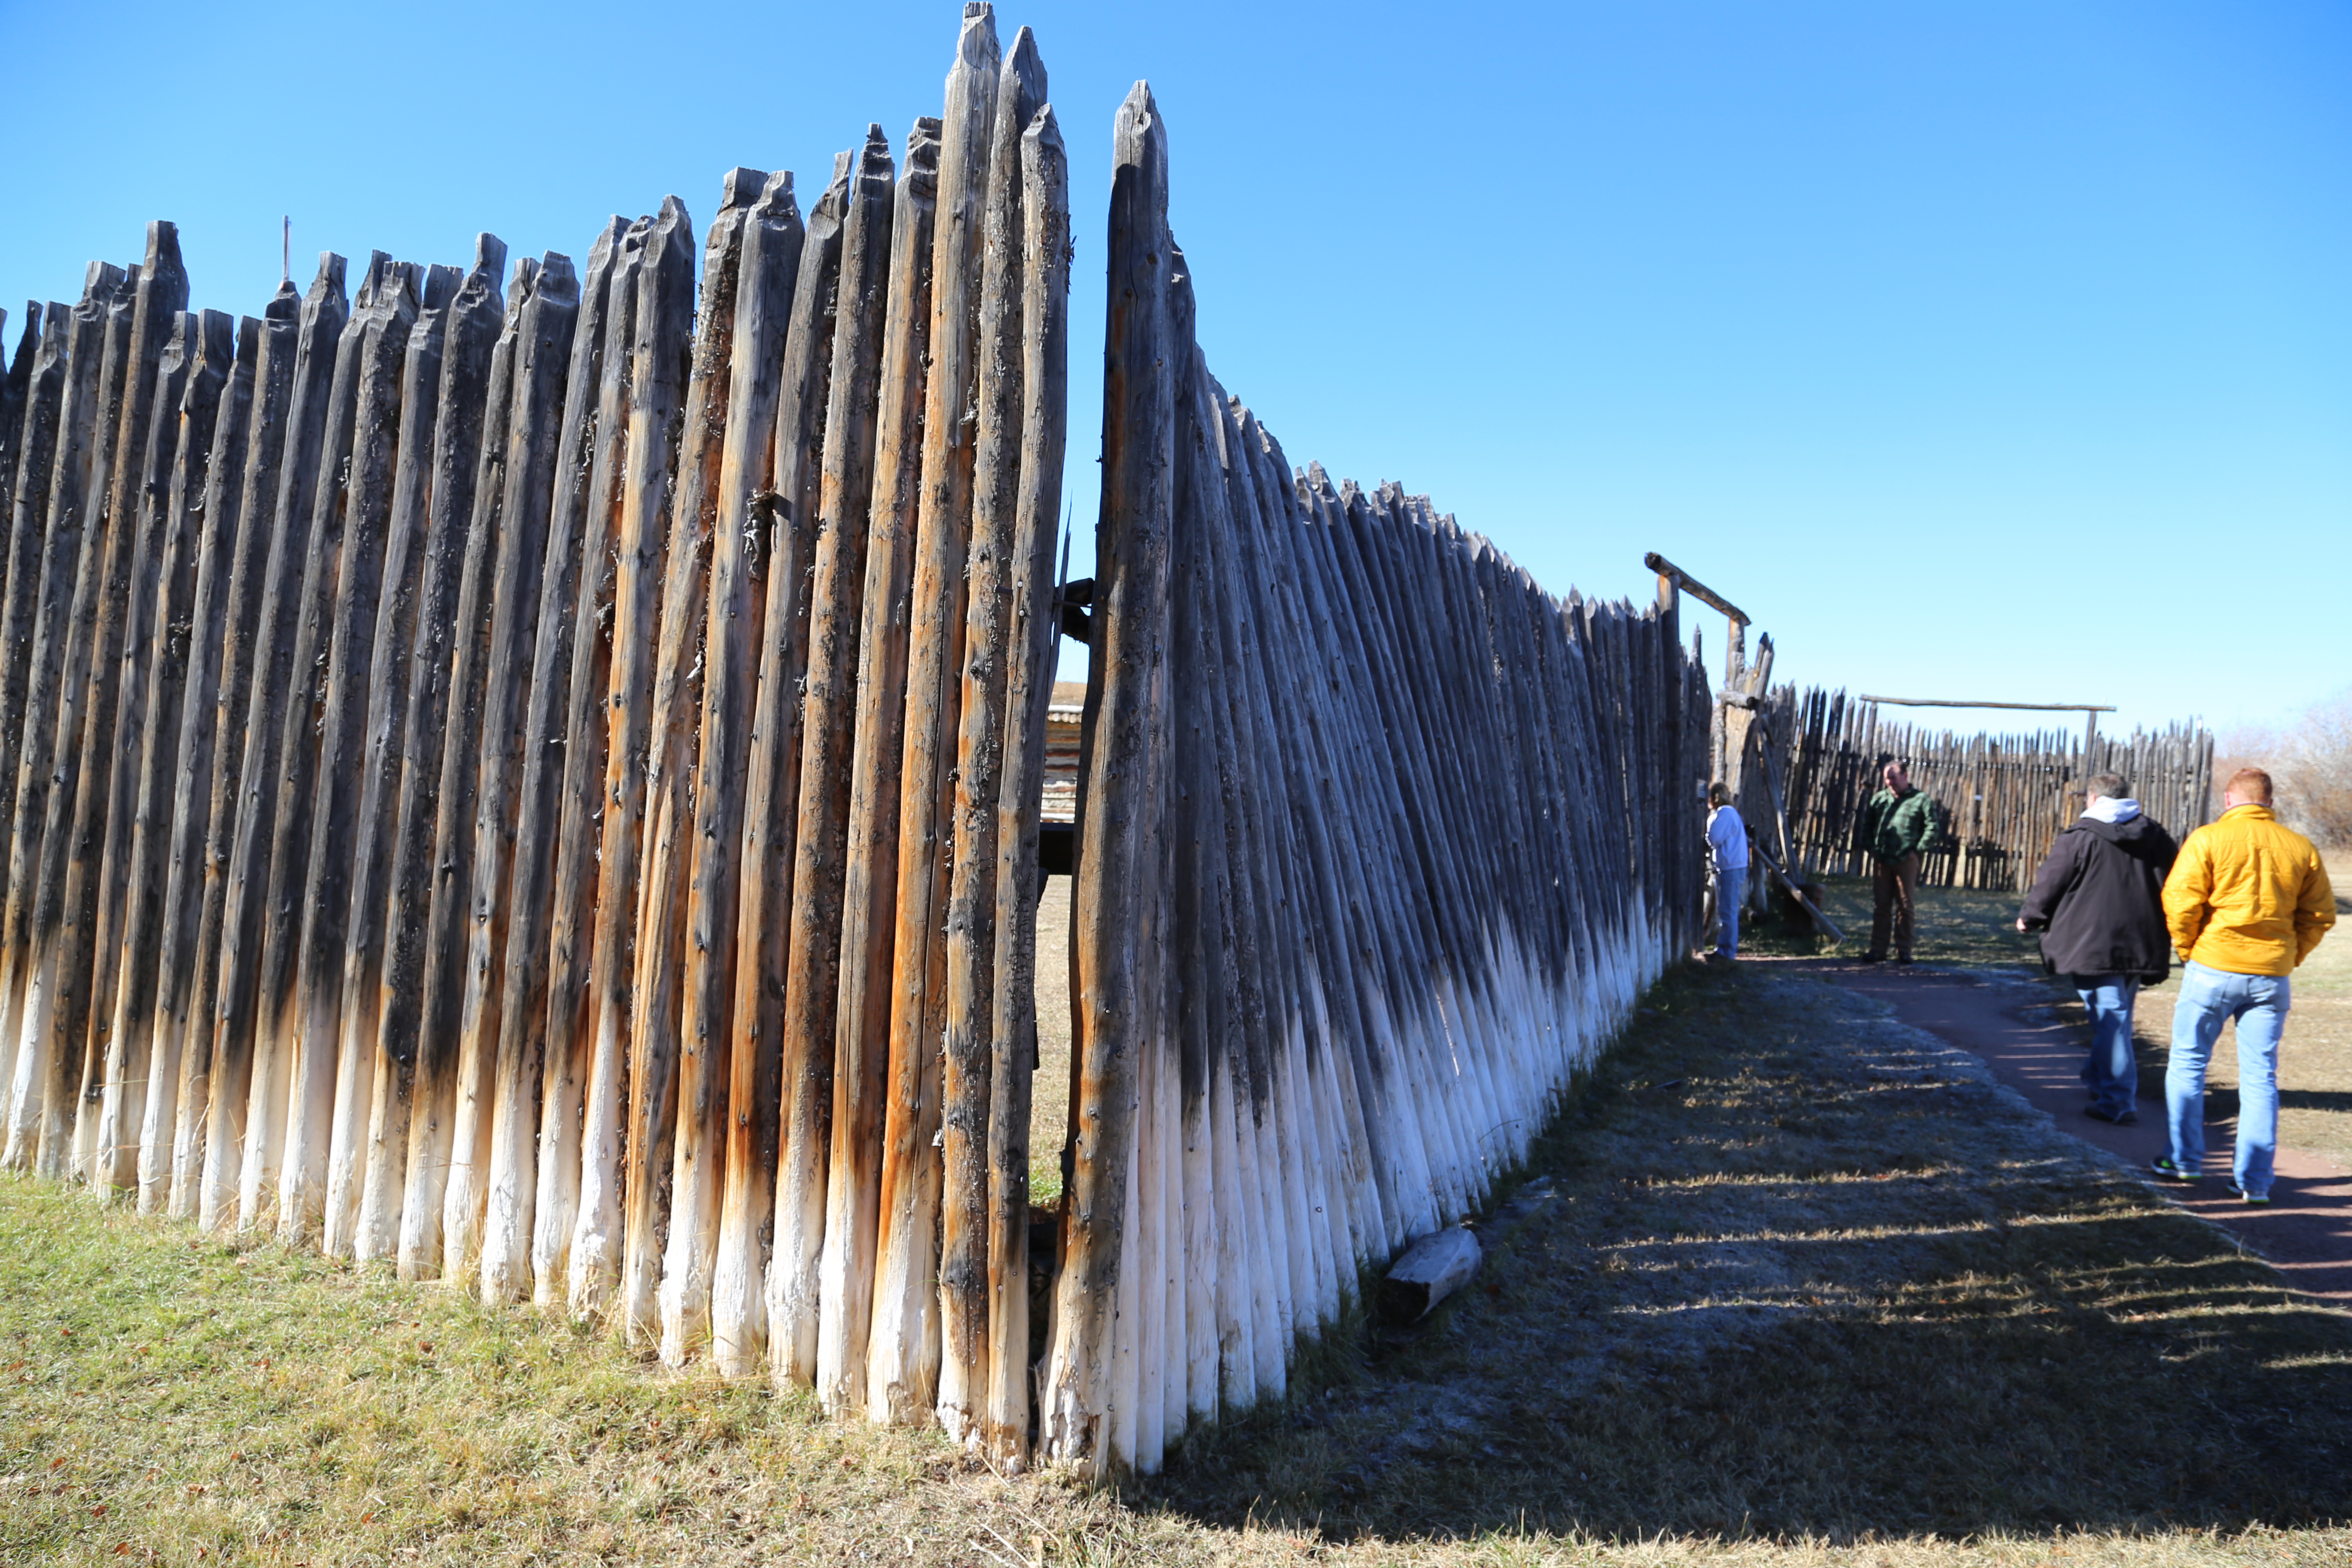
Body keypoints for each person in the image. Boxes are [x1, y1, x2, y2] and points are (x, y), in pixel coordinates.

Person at [2153, 767, 2336, 1203]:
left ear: (2230, 800)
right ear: (2269, 803)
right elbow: (2320, 914)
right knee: (2260, 1078)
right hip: (2272, 976)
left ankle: (2184, 1160)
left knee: (2189, 1063)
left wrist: (2188, 949)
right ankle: (2255, 1181)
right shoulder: (2300, 847)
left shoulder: (2208, 838)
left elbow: (2180, 901)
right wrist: (2290, 956)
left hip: (2213, 966)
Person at [2015, 772, 2178, 1126]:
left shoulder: (2081, 836)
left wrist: (2031, 916)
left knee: (2112, 1020)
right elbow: (2176, 880)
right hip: (2140, 939)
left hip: (2092, 942)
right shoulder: (2155, 836)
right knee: (2116, 1018)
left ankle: (2117, 1101)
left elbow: (2052, 879)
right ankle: (2098, 1078)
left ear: (2092, 799)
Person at [1858, 761, 1939, 963]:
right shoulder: (1879, 799)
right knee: (1881, 906)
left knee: (1905, 906)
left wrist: (1917, 850)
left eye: (1893, 778)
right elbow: (1867, 826)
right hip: (1882, 860)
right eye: (1887, 778)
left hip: (1906, 860)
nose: (1890, 782)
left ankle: (1904, 951)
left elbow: (1932, 828)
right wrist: (1872, 849)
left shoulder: (1921, 800)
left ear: (1905, 776)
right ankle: (1878, 950)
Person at [1704, 781, 1750, 962]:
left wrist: (1708, 832)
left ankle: (1727, 952)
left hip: (1730, 868)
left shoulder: (1725, 814)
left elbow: (1715, 838)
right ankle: (1724, 949)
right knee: (1726, 911)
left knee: (1728, 911)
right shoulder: (1730, 814)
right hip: (1732, 867)